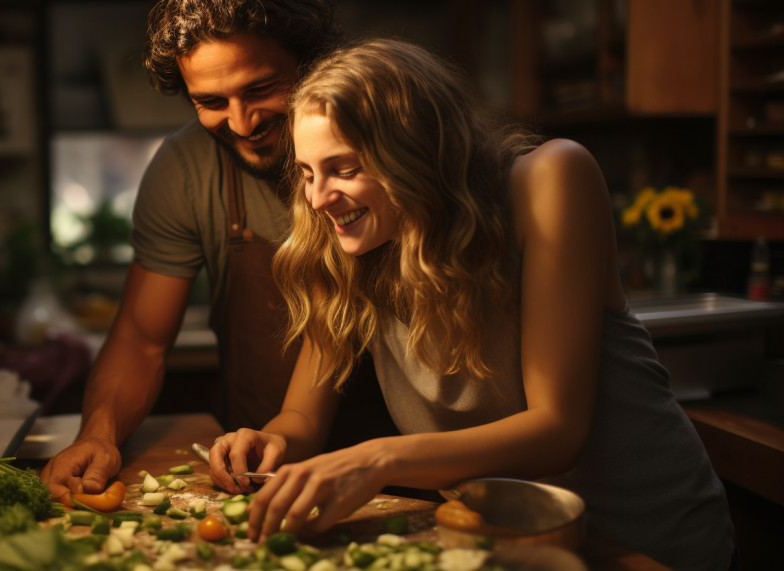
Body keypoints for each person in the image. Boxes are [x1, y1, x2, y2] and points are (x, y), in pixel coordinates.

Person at [208, 39, 736, 571]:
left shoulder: (550, 178)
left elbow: (557, 431)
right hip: (497, 545)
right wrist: (269, 441)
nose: (318, 200)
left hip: (640, 543)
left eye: (343, 169)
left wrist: (376, 459)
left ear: (413, 154)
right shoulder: (345, 246)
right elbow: (303, 416)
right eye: (306, 172)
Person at [40, 0, 397, 503]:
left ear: (310, 63)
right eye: (211, 101)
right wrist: (97, 435)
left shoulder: (388, 159)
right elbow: (141, 339)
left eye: (260, 89)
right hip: (262, 473)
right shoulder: (187, 171)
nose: (243, 122)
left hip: (411, 473)